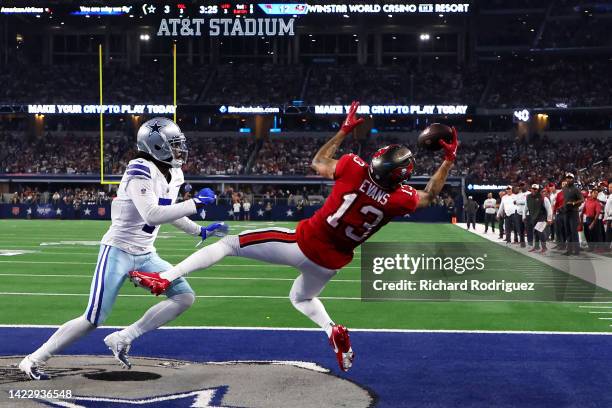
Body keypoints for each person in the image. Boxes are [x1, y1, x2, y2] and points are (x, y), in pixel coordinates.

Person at [128, 101, 459, 372]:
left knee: (228, 244)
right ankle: (333, 331)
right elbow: (429, 195)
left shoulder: (355, 167)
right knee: (300, 298)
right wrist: (447, 159)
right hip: (331, 263)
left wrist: (344, 129)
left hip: (303, 243)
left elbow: (318, 161)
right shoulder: (401, 199)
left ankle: (163, 278)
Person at [19, 117, 226, 380]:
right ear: (156, 145)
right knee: (94, 317)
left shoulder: (175, 173)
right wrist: (195, 203)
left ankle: (123, 337)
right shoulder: (139, 168)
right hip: (118, 250)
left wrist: (199, 230)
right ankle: (34, 360)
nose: (179, 150)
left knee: (184, 297)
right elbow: (152, 214)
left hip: (147, 254)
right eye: (174, 144)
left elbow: (168, 211)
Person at [523, 184, 553, 254]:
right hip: (533, 217)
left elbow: (549, 209)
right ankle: (536, 247)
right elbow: (526, 207)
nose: (533, 190)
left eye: (535, 189)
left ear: (538, 190)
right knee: (535, 232)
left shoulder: (543, 198)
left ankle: (544, 247)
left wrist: (549, 219)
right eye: (532, 188)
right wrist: (524, 216)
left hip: (542, 217)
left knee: (540, 231)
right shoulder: (528, 197)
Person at [562, 173, 583, 256]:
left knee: (574, 232)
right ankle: (569, 250)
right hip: (566, 212)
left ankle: (576, 250)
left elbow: (582, 199)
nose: (568, 179)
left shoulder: (576, 189)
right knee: (568, 232)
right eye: (567, 178)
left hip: (574, 213)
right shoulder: (564, 188)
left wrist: (574, 203)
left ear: (573, 179)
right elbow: (565, 199)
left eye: (570, 178)